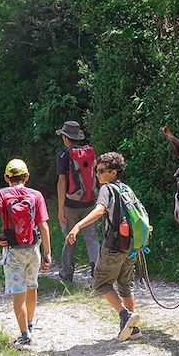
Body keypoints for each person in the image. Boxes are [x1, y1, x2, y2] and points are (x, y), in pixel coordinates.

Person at [67, 152, 142, 341]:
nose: (97, 175)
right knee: (125, 285)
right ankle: (133, 329)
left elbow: (100, 210)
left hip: (114, 245)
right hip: (131, 247)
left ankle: (125, 316)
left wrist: (77, 225)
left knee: (99, 283)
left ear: (114, 173)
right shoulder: (127, 189)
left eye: (101, 171)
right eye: (96, 170)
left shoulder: (107, 190)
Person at [0, 159, 52, 350]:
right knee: (32, 287)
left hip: (13, 250)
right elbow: (43, 225)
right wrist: (47, 252)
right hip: (33, 249)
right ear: (27, 177)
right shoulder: (36, 195)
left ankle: (24, 335)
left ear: (6, 177)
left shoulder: (2, 194)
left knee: (18, 292)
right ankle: (29, 325)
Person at [55, 120, 100, 282]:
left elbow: (62, 182)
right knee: (92, 238)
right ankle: (98, 274)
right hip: (90, 203)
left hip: (70, 205)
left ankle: (67, 274)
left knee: (69, 237)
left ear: (65, 138)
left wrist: (60, 208)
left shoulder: (64, 155)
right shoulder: (90, 153)